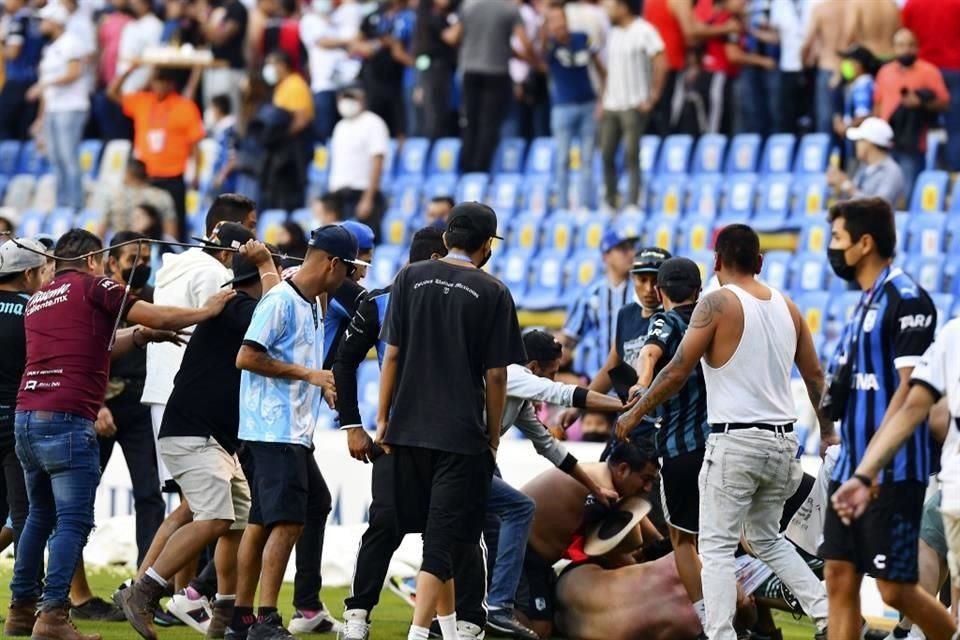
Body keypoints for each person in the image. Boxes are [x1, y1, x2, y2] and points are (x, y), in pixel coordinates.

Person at [6, 229, 235, 640]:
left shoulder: (42, 296)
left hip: (28, 416)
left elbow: (99, 347)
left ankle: (21, 609)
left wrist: (143, 337)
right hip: (68, 416)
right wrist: (207, 311)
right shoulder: (96, 286)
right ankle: (53, 616)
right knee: (73, 522)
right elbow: (158, 313)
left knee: (38, 517)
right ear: (95, 259)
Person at [614, 224, 830, 640]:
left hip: (735, 441)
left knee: (712, 548)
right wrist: (829, 432)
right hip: (784, 442)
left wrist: (635, 412)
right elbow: (816, 376)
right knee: (766, 539)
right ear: (760, 262)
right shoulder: (788, 306)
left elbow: (676, 370)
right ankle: (829, 615)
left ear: (715, 263)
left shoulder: (715, 304)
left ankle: (720, 635)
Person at [375, 202, 527, 640]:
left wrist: (383, 419)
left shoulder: (408, 277)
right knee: (441, 542)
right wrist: (493, 435)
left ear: (446, 239)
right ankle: (420, 634)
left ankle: (447, 630)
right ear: (486, 245)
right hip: (460, 435)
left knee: (430, 535)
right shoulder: (494, 291)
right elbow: (496, 375)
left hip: (406, 428)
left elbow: (392, 356)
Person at [118, 240, 280, 640]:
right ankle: (145, 590)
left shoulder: (233, 307)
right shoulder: (240, 307)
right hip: (195, 433)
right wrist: (268, 265)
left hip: (211, 437)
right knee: (216, 517)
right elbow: (279, 315)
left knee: (235, 520)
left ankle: (224, 611)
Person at [818, 198, 952, 640]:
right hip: (849, 467)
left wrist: (869, 466)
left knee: (894, 590)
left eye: (837, 238)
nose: (831, 248)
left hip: (892, 473)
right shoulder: (862, 304)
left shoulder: (908, 299)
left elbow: (910, 391)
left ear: (865, 243)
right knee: (837, 574)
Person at [229, 225, 364, 639]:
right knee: (287, 521)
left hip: (290, 431)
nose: (350, 280)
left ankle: (241, 618)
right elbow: (246, 357)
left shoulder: (312, 301)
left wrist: (318, 385)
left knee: (272, 517)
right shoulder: (281, 301)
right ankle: (266, 618)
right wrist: (310, 374)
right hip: (273, 429)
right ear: (332, 264)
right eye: (348, 271)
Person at [455, 330, 628, 639]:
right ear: (533, 367)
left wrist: (594, 488)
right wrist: (621, 406)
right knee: (519, 509)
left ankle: (472, 615)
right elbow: (563, 394)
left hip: (477, 463)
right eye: (551, 371)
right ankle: (495, 608)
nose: (553, 377)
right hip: (459, 460)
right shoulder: (513, 375)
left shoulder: (518, 399)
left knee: (487, 535)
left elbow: (550, 448)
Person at [334, 227, 454, 640]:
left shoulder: (466, 300)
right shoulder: (380, 301)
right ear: (437, 259)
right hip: (395, 438)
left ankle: (449, 622)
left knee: (451, 532)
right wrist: (352, 424)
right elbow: (344, 362)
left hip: (449, 437)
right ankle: (358, 615)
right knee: (385, 524)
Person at [141, 196, 258, 499]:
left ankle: (163, 549)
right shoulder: (215, 274)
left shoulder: (177, 265)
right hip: (193, 395)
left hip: (163, 388)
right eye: (250, 229)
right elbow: (225, 328)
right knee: (200, 505)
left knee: (187, 501)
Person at [619, 256, 712, 633]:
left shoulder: (666, 319)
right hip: (721, 443)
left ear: (659, 292)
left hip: (679, 447)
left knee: (683, 540)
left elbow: (651, 351)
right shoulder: (715, 321)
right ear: (699, 290)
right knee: (729, 538)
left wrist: (642, 384)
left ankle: (709, 619)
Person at [516, 441, 665, 639]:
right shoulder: (601, 492)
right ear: (623, 469)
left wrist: (665, 549)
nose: (647, 488)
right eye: (645, 479)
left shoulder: (603, 478)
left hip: (533, 556)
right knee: (540, 631)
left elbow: (642, 521)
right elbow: (614, 556)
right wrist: (656, 574)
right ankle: (483, 606)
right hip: (518, 552)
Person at [98, 233, 166, 569]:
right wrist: (96, 403)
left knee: (150, 494)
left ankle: (145, 582)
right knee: (76, 499)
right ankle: (66, 591)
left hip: (142, 403)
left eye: (146, 258)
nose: (143, 265)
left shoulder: (156, 299)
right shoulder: (98, 300)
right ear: (112, 262)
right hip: (101, 403)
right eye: (134, 258)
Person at [109, 63, 205, 241]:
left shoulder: (185, 107)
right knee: (144, 228)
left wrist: (196, 173)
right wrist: (130, 70)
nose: (159, 86)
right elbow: (112, 93)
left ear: (171, 84)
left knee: (174, 230)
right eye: (156, 81)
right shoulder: (142, 101)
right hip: (146, 179)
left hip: (173, 178)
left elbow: (195, 144)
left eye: (163, 81)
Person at [448, 0, 537, 173]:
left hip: (470, 70)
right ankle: (482, 170)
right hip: (496, 72)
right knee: (489, 124)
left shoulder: (469, 5)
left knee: (470, 122)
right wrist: (534, 61)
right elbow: (525, 43)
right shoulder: (509, 9)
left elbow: (453, 37)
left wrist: (471, 47)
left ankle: (467, 170)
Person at [0, 238, 47, 556]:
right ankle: (26, 599)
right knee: (25, 514)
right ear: (29, 274)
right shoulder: (34, 311)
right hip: (15, 422)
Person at [599, 0, 665, 209]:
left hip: (634, 104)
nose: (607, 10)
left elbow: (661, 60)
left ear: (623, 7)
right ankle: (611, 201)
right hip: (611, 104)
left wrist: (653, 96)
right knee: (606, 154)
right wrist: (602, 98)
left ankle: (632, 202)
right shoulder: (613, 33)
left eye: (611, 6)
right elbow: (609, 70)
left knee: (631, 155)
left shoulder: (644, 30)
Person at [28, 2, 89, 211]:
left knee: (68, 157)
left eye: (45, 20)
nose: (41, 24)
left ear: (55, 21)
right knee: (55, 158)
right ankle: (63, 204)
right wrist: (40, 117)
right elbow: (48, 91)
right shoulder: (51, 47)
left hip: (71, 106)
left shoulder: (71, 42)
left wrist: (45, 84)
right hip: (54, 108)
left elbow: (74, 73)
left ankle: (76, 205)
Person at [873, 28, 950, 194]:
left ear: (917, 47)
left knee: (909, 190)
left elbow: (944, 103)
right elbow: (877, 105)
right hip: (887, 141)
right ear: (894, 48)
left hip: (913, 142)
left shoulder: (929, 71)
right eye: (901, 45)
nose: (906, 50)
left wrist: (920, 103)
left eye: (910, 45)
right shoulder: (885, 72)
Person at [544, 1, 603, 211]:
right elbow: (539, 50)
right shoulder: (549, 45)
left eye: (560, 18)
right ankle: (562, 206)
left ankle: (587, 204)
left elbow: (600, 67)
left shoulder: (582, 38)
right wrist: (545, 24)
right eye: (553, 21)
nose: (558, 24)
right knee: (562, 160)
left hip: (587, 103)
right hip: (562, 106)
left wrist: (601, 99)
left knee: (588, 158)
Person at [561, 230, 637, 380]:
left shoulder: (641, 291)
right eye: (623, 249)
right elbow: (570, 338)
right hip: (598, 379)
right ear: (606, 256)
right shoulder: (591, 293)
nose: (630, 253)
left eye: (631, 248)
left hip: (636, 380)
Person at [902, 0, 960, 172]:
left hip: (923, 70)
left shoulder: (913, 4)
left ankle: (922, 175)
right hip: (954, 69)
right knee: (955, 128)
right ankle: (954, 176)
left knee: (918, 127)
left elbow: (905, 35)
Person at [327, 87, 389, 228]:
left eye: (352, 98)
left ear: (362, 100)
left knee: (362, 244)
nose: (347, 102)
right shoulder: (339, 127)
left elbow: (377, 161)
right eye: (344, 98)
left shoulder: (373, 122)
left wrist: (368, 198)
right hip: (339, 195)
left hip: (361, 193)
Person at [260, 50, 313, 211]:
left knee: (289, 195)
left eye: (271, 64)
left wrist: (282, 136)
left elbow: (301, 119)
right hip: (283, 150)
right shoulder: (282, 86)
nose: (267, 68)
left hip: (294, 150)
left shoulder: (294, 85)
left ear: (283, 65)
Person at [355, 0, 415, 139]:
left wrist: (396, 48)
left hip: (398, 79)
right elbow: (357, 43)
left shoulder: (409, 16)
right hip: (374, 79)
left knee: (400, 124)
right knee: (374, 122)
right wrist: (372, 45)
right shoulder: (373, 16)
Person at [827, 117, 906, 207]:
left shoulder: (892, 171)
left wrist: (848, 187)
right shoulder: (863, 167)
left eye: (860, 140)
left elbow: (878, 206)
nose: (856, 144)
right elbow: (850, 204)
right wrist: (839, 187)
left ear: (870, 143)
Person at [298, 0, 347, 142]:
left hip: (343, 83)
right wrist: (347, 41)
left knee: (342, 132)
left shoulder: (337, 18)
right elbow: (322, 42)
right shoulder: (309, 20)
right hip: (323, 85)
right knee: (323, 133)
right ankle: (321, 163)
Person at [411, 0, 458, 140]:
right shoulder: (430, 16)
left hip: (437, 68)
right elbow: (450, 38)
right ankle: (433, 148)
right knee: (435, 113)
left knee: (439, 111)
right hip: (434, 69)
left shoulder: (436, 15)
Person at [99, 159, 178, 238]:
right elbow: (170, 234)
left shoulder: (113, 196)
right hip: (151, 247)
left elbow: (101, 231)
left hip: (120, 246)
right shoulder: (162, 196)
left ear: (128, 174)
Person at [801, 0, 847, 135]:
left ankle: (825, 153)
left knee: (825, 120)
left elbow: (807, 43)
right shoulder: (853, 7)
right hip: (849, 69)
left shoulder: (821, 9)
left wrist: (804, 66)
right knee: (847, 119)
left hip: (827, 66)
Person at [0, 0, 43, 141]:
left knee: (5, 127)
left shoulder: (18, 21)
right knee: (24, 130)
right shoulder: (37, 18)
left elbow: (13, 52)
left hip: (17, 80)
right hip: (35, 80)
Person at [201, 0, 248, 113]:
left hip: (229, 68)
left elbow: (221, 38)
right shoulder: (223, 8)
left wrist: (206, 22)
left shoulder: (238, 8)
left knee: (228, 111)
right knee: (212, 110)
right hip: (216, 66)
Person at [115, 0, 163, 94]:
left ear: (146, 4)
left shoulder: (154, 25)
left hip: (140, 85)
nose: (133, 6)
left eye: (136, 3)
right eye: (132, 3)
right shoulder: (130, 24)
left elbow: (155, 60)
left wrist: (146, 85)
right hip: (123, 84)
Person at [833, 46, 879, 142]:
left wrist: (845, 128)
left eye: (849, 61)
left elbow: (863, 116)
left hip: (859, 137)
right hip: (851, 134)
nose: (845, 65)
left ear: (859, 64)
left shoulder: (863, 84)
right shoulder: (854, 83)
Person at [206, 94, 239, 196]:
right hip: (220, 181)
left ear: (218, 109)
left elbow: (232, 157)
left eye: (211, 108)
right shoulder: (222, 129)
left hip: (226, 183)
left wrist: (221, 176)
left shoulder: (229, 131)